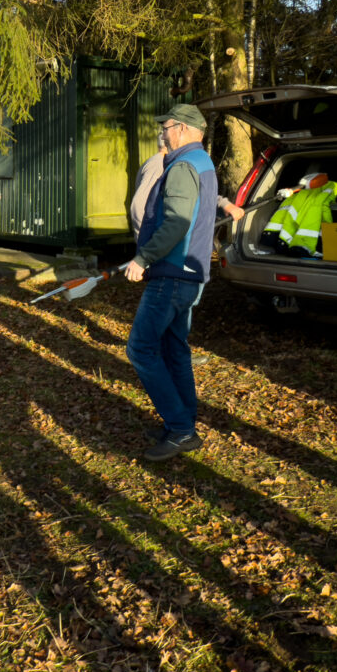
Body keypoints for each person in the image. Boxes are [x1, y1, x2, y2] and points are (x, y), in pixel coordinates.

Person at [125, 104, 217, 463]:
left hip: (172, 273)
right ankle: (182, 423)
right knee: (174, 349)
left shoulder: (182, 166)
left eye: (166, 127)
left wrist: (143, 258)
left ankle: (180, 429)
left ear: (183, 128)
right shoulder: (204, 163)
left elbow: (177, 222)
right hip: (191, 273)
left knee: (141, 349)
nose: (162, 133)